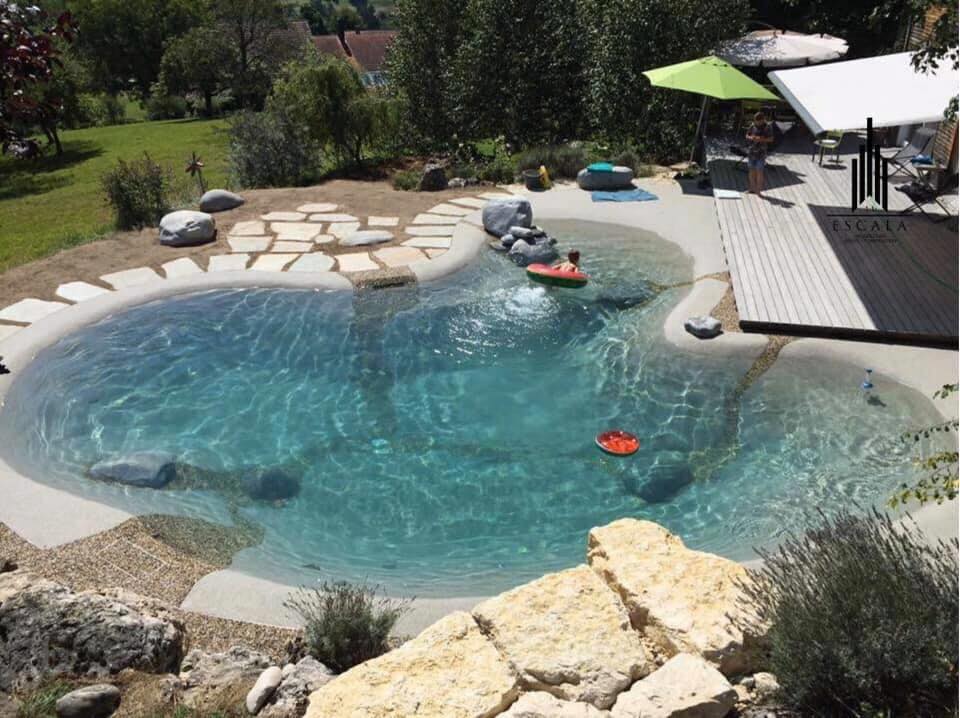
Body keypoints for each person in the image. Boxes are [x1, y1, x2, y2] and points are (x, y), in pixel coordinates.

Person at [746, 111, 774, 196]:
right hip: (751, 151)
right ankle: (752, 188)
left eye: (758, 122)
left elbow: (771, 139)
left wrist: (761, 139)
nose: (756, 123)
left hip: (761, 153)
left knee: (759, 171)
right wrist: (752, 137)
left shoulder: (768, 127)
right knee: (751, 171)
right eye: (755, 121)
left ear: (762, 120)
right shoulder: (752, 125)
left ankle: (758, 190)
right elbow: (747, 135)